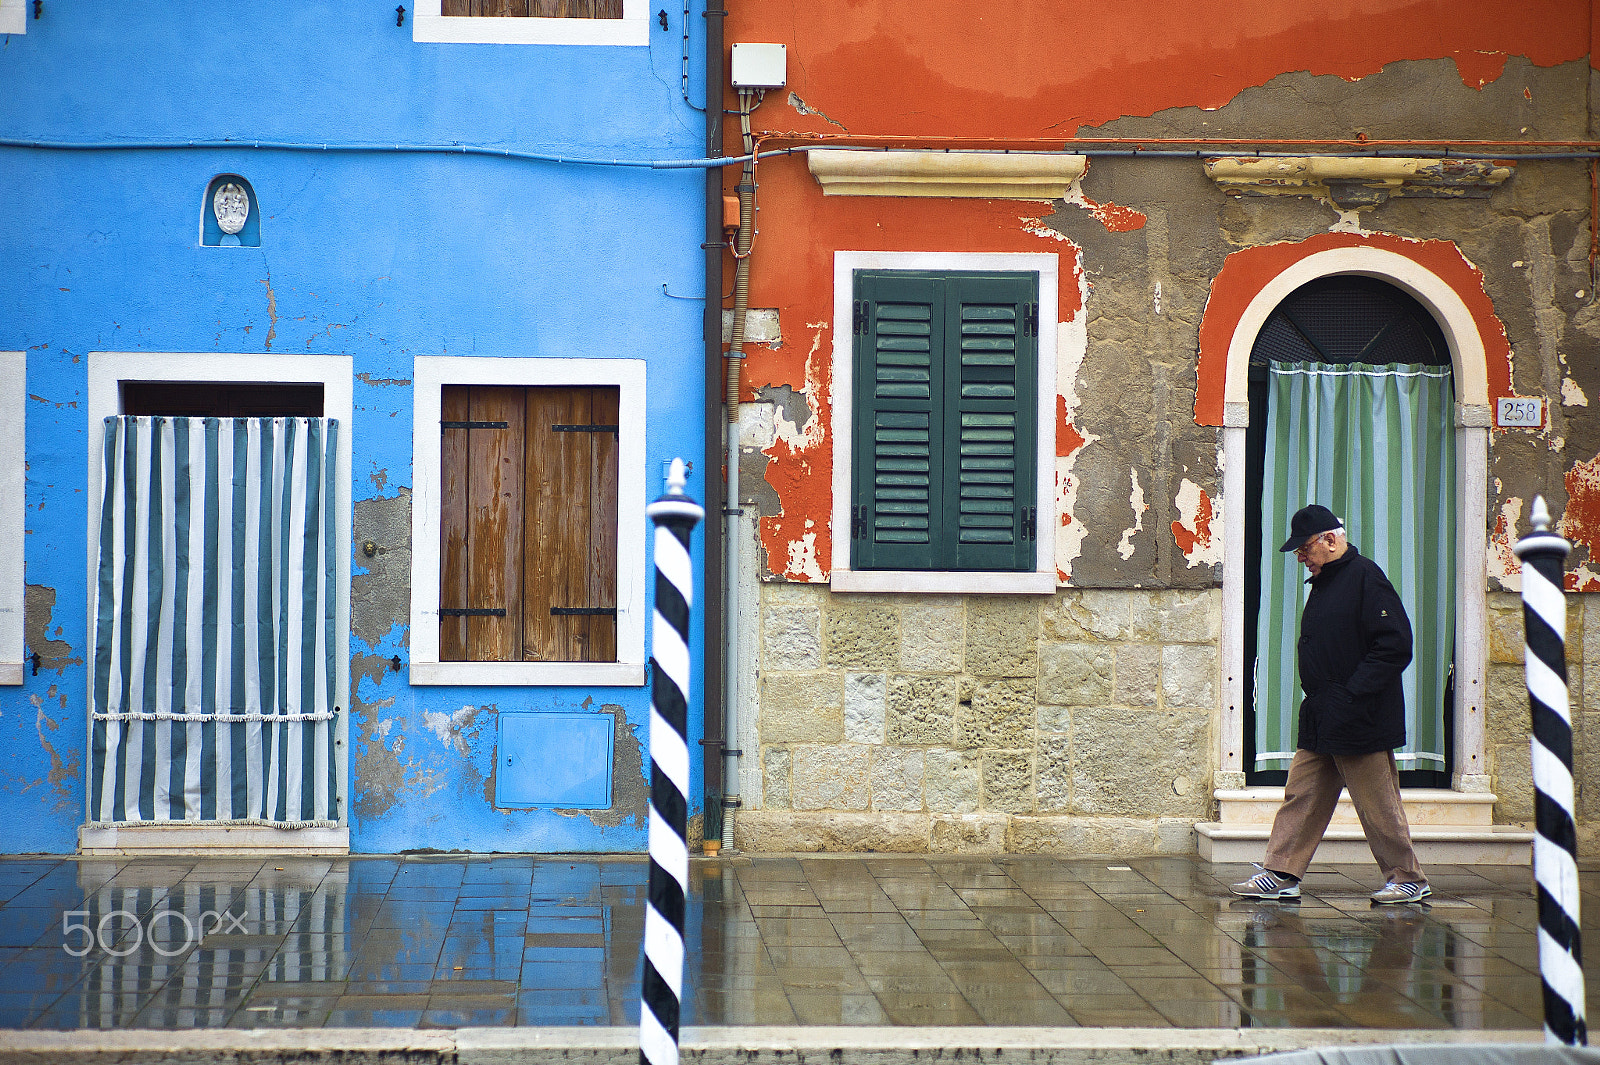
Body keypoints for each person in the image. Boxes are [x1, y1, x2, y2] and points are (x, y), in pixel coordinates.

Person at [1232, 504, 1432, 905]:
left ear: (1331, 540)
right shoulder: (1328, 581)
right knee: (1301, 796)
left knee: (1377, 805)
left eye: (1305, 549)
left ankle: (1408, 877)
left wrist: (1351, 693)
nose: (1301, 558)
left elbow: (1395, 646)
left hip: (1360, 716)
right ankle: (1282, 873)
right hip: (1324, 715)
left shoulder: (1365, 577)